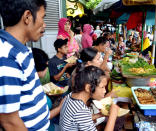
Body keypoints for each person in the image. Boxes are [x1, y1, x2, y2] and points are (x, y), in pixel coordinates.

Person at [0, 0, 50, 130]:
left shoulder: (19, 49)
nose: (44, 24)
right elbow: (9, 121)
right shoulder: (7, 57)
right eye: (43, 17)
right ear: (27, 17)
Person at [60, 66, 120, 131]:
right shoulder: (81, 110)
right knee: (119, 119)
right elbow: (81, 115)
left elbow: (78, 119)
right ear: (88, 88)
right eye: (102, 87)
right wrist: (112, 116)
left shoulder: (71, 95)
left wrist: (98, 115)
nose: (105, 91)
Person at [32, 48, 66, 131]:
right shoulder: (31, 91)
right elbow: (43, 117)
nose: (47, 68)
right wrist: (61, 106)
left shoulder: (33, 83)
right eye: (46, 66)